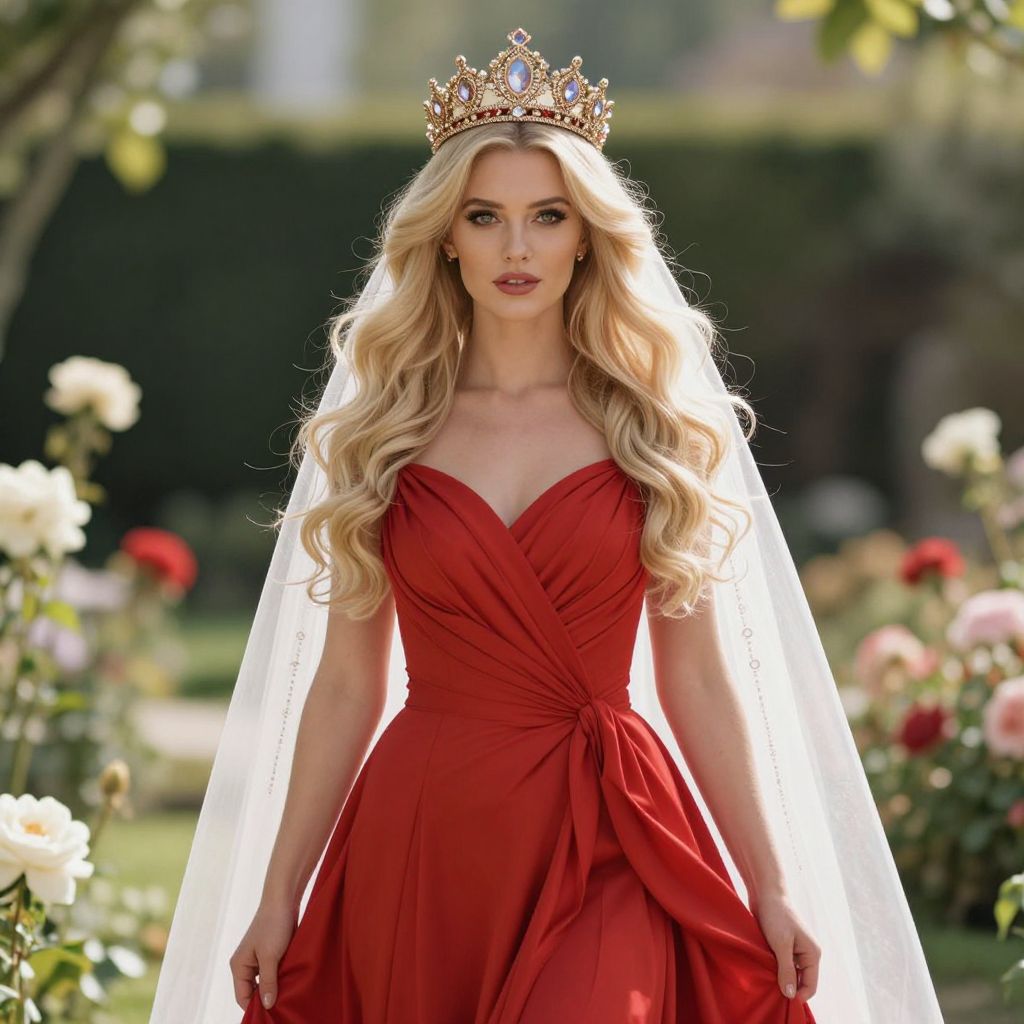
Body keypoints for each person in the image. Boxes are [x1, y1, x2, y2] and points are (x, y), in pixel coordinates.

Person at [147, 26, 945, 1024]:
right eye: (485, 216)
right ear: (445, 235)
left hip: (612, 822)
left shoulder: (648, 426)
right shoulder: (385, 433)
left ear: (585, 234)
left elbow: (695, 675)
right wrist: (277, 895)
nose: (516, 248)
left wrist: (771, 879)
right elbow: (347, 681)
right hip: (427, 835)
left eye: (546, 216)